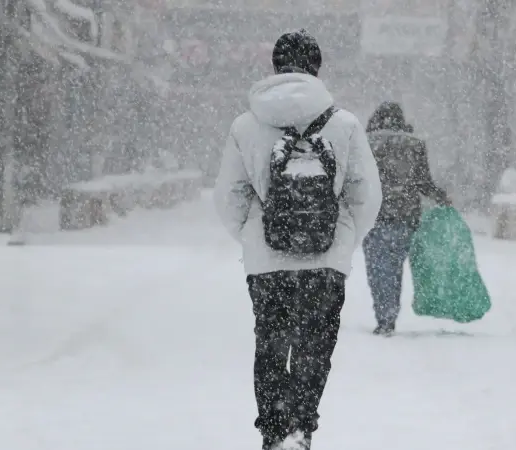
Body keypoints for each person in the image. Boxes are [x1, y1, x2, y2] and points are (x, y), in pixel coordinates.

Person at [213, 30, 382, 450]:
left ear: (274, 67)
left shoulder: (245, 126)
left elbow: (229, 197)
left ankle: (274, 431)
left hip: (266, 264)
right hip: (326, 261)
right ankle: (300, 428)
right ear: (317, 69)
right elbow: (366, 195)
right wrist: (340, 239)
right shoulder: (343, 124)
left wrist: (255, 237)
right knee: (313, 346)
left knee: (271, 345)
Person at [364, 101, 451, 336]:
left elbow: (355, 180)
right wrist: (441, 197)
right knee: (394, 268)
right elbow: (423, 182)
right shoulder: (414, 145)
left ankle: (384, 316)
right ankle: (390, 313)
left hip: (373, 217)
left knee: (378, 269)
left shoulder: (365, 143)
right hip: (405, 217)